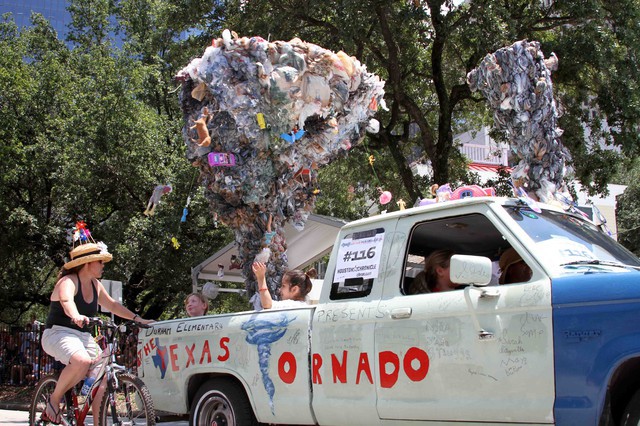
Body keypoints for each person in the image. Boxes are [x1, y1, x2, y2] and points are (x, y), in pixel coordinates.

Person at [40, 237, 153, 424]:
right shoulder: (67, 281)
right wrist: (75, 315)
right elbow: (67, 300)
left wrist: (137, 319)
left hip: (82, 337)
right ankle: (54, 398)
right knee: (82, 361)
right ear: (87, 263)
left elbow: (113, 305)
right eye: (100, 261)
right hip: (58, 333)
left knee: (103, 378)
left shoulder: (95, 285)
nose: (103, 265)